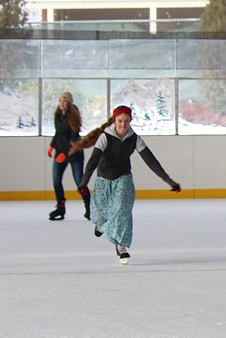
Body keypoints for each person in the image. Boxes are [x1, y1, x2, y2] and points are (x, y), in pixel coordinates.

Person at [75, 105, 181, 264]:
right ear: (114, 120)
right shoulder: (105, 137)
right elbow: (93, 161)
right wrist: (84, 181)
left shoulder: (134, 138)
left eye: (126, 121)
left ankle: (121, 246)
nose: (123, 125)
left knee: (121, 209)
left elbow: (151, 161)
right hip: (103, 179)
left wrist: (168, 180)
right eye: (120, 121)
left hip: (123, 177)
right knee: (99, 214)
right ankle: (101, 225)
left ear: (130, 121)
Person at [47, 91, 91, 221]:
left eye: (65, 101)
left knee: (79, 182)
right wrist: (52, 146)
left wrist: (65, 155)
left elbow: (73, 139)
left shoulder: (73, 117)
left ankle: (89, 207)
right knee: (56, 179)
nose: (62, 103)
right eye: (60, 100)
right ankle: (60, 206)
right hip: (60, 151)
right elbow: (58, 134)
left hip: (74, 152)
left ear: (69, 103)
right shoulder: (58, 115)